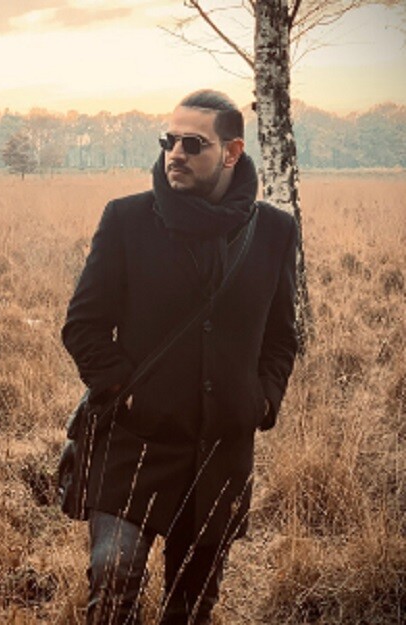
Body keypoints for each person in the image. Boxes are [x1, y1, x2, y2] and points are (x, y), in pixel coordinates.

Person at [61, 89, 298, 625]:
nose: (176, 154)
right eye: (169, 140)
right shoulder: (126, 219)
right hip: (136, 442)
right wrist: (123, 391)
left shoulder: (274, 232)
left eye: (194, 144)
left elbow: (282, 335)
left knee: (190, 608)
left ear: (232, 152)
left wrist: (261, 401)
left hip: (220, 453)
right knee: (113, 584)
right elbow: (83, 325)